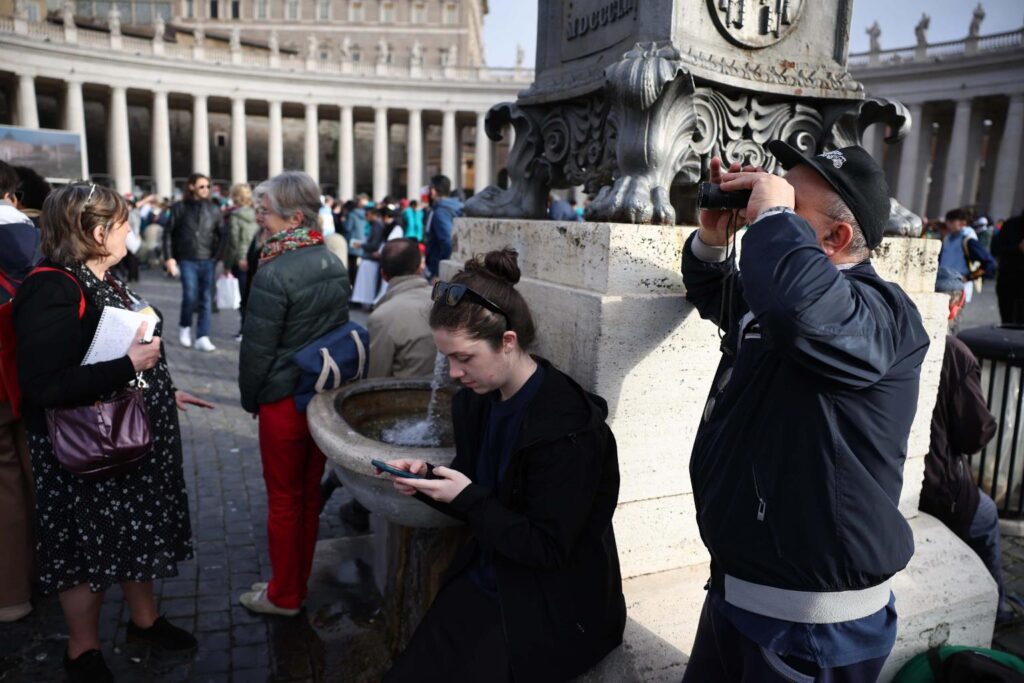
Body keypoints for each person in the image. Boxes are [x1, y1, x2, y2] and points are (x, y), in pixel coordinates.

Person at [680, 143, 931, 680]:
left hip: (810, 631)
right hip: (739, 595)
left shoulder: (882, 312)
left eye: (790, 208)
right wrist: (714, 238)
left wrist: (772, 217)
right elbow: (726, 294)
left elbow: (802, 315)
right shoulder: (793, 297)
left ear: (835, 239)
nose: (764, 211)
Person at [380, 248, 626, 682]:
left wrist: (466, 497)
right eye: (447, 358)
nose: (453, 373)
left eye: (464, 357)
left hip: (549, 606)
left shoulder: (567, 430)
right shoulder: (476, 402)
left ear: (508, 342)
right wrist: (425, 480)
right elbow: (476, 487)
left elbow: (547, 548)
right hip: (490, 574)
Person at [13, 183, 212, 681]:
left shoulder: (103, 275)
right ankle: (82, 650)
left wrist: (163, 390)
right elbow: (44, 385)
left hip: (124, 436)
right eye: (124, 224)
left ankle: (145, 622)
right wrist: (129, 367)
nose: (130, 232)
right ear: (97, 232)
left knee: (131, 532)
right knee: (86, 549)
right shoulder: (52, 287)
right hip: (85, 450)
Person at [238, 171, 351, 617]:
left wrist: (251, 398)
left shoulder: (274, 271)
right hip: (317, 396)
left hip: (283, 400)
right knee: (305, 498)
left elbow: (256, 351)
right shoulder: (332, 261)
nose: (258, 218)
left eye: (265, 211)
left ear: (295, 218)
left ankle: (284, 595)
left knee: (285, 502)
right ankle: (292, 583)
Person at [920, 268, 1010, 621]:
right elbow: (975, 435)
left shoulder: (899, 332)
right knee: (986, 517)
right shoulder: (956, 353)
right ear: (955, 307)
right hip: (939, 485)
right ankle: (995, 605)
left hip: (901, 474)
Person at [0, 159, 39, 625]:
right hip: (31, 370)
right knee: (36, 473)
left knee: (4, 483)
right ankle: (47, 570)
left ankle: (11, 593)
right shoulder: (36, 234)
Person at [163, 173, 227, 352]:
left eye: (208, 186)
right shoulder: (179, 208)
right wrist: (169, 258)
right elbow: (168, 233)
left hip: (208, 259)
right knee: (190, 296)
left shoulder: (214, 209)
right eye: (201, 186)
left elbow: (223, 234)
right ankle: (185, 326)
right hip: (186, 258)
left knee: (206, 299)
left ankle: (202, 336)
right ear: (191, 187)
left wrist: (217, 256)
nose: (206, 190)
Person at [938, 207, 997, 306]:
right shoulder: (948, 239)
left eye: (951, 221)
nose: (948, 224)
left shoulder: (968, 240)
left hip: (958, 291)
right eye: (947, 221)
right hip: (943, 287)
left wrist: (969, 277)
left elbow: (990, 263)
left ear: (962, 223)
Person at [224, 183, 259, 340]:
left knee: (242, 298)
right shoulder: (258, 214)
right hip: (256, 258)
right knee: (252, 297)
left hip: (240, 261)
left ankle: (244, 330)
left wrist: (227, 265)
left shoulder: (235, 216)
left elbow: (233, 242)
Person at [424, 174, 463, 280]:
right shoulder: (455, 207)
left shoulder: (440, 212)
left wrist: (438, 271)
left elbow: (448, 242)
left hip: (437, 270)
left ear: (433, 191)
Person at [991, 212, 1024, 324]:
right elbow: (996, 248)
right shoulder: (1011, 225)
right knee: (1007, 321)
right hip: (1008, 281)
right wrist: (1017, 248)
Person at [350, 206, 385, 308]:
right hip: (369, 257)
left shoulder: (377, 227)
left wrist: (361, 245)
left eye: (367, 214)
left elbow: (375, 245)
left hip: (371, 258)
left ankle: (363, 301)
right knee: (364, 283)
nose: (365, 217)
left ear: (373, 215)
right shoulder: (375, 226)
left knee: (366, 283)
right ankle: (361, 300)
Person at [342, 193, 369, 285]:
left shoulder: (352, 214)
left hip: (353, 242)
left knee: (351, 264)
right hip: (363, 241)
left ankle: (352, 282)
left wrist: (343, 222)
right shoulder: (367, 214)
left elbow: (348, 228)